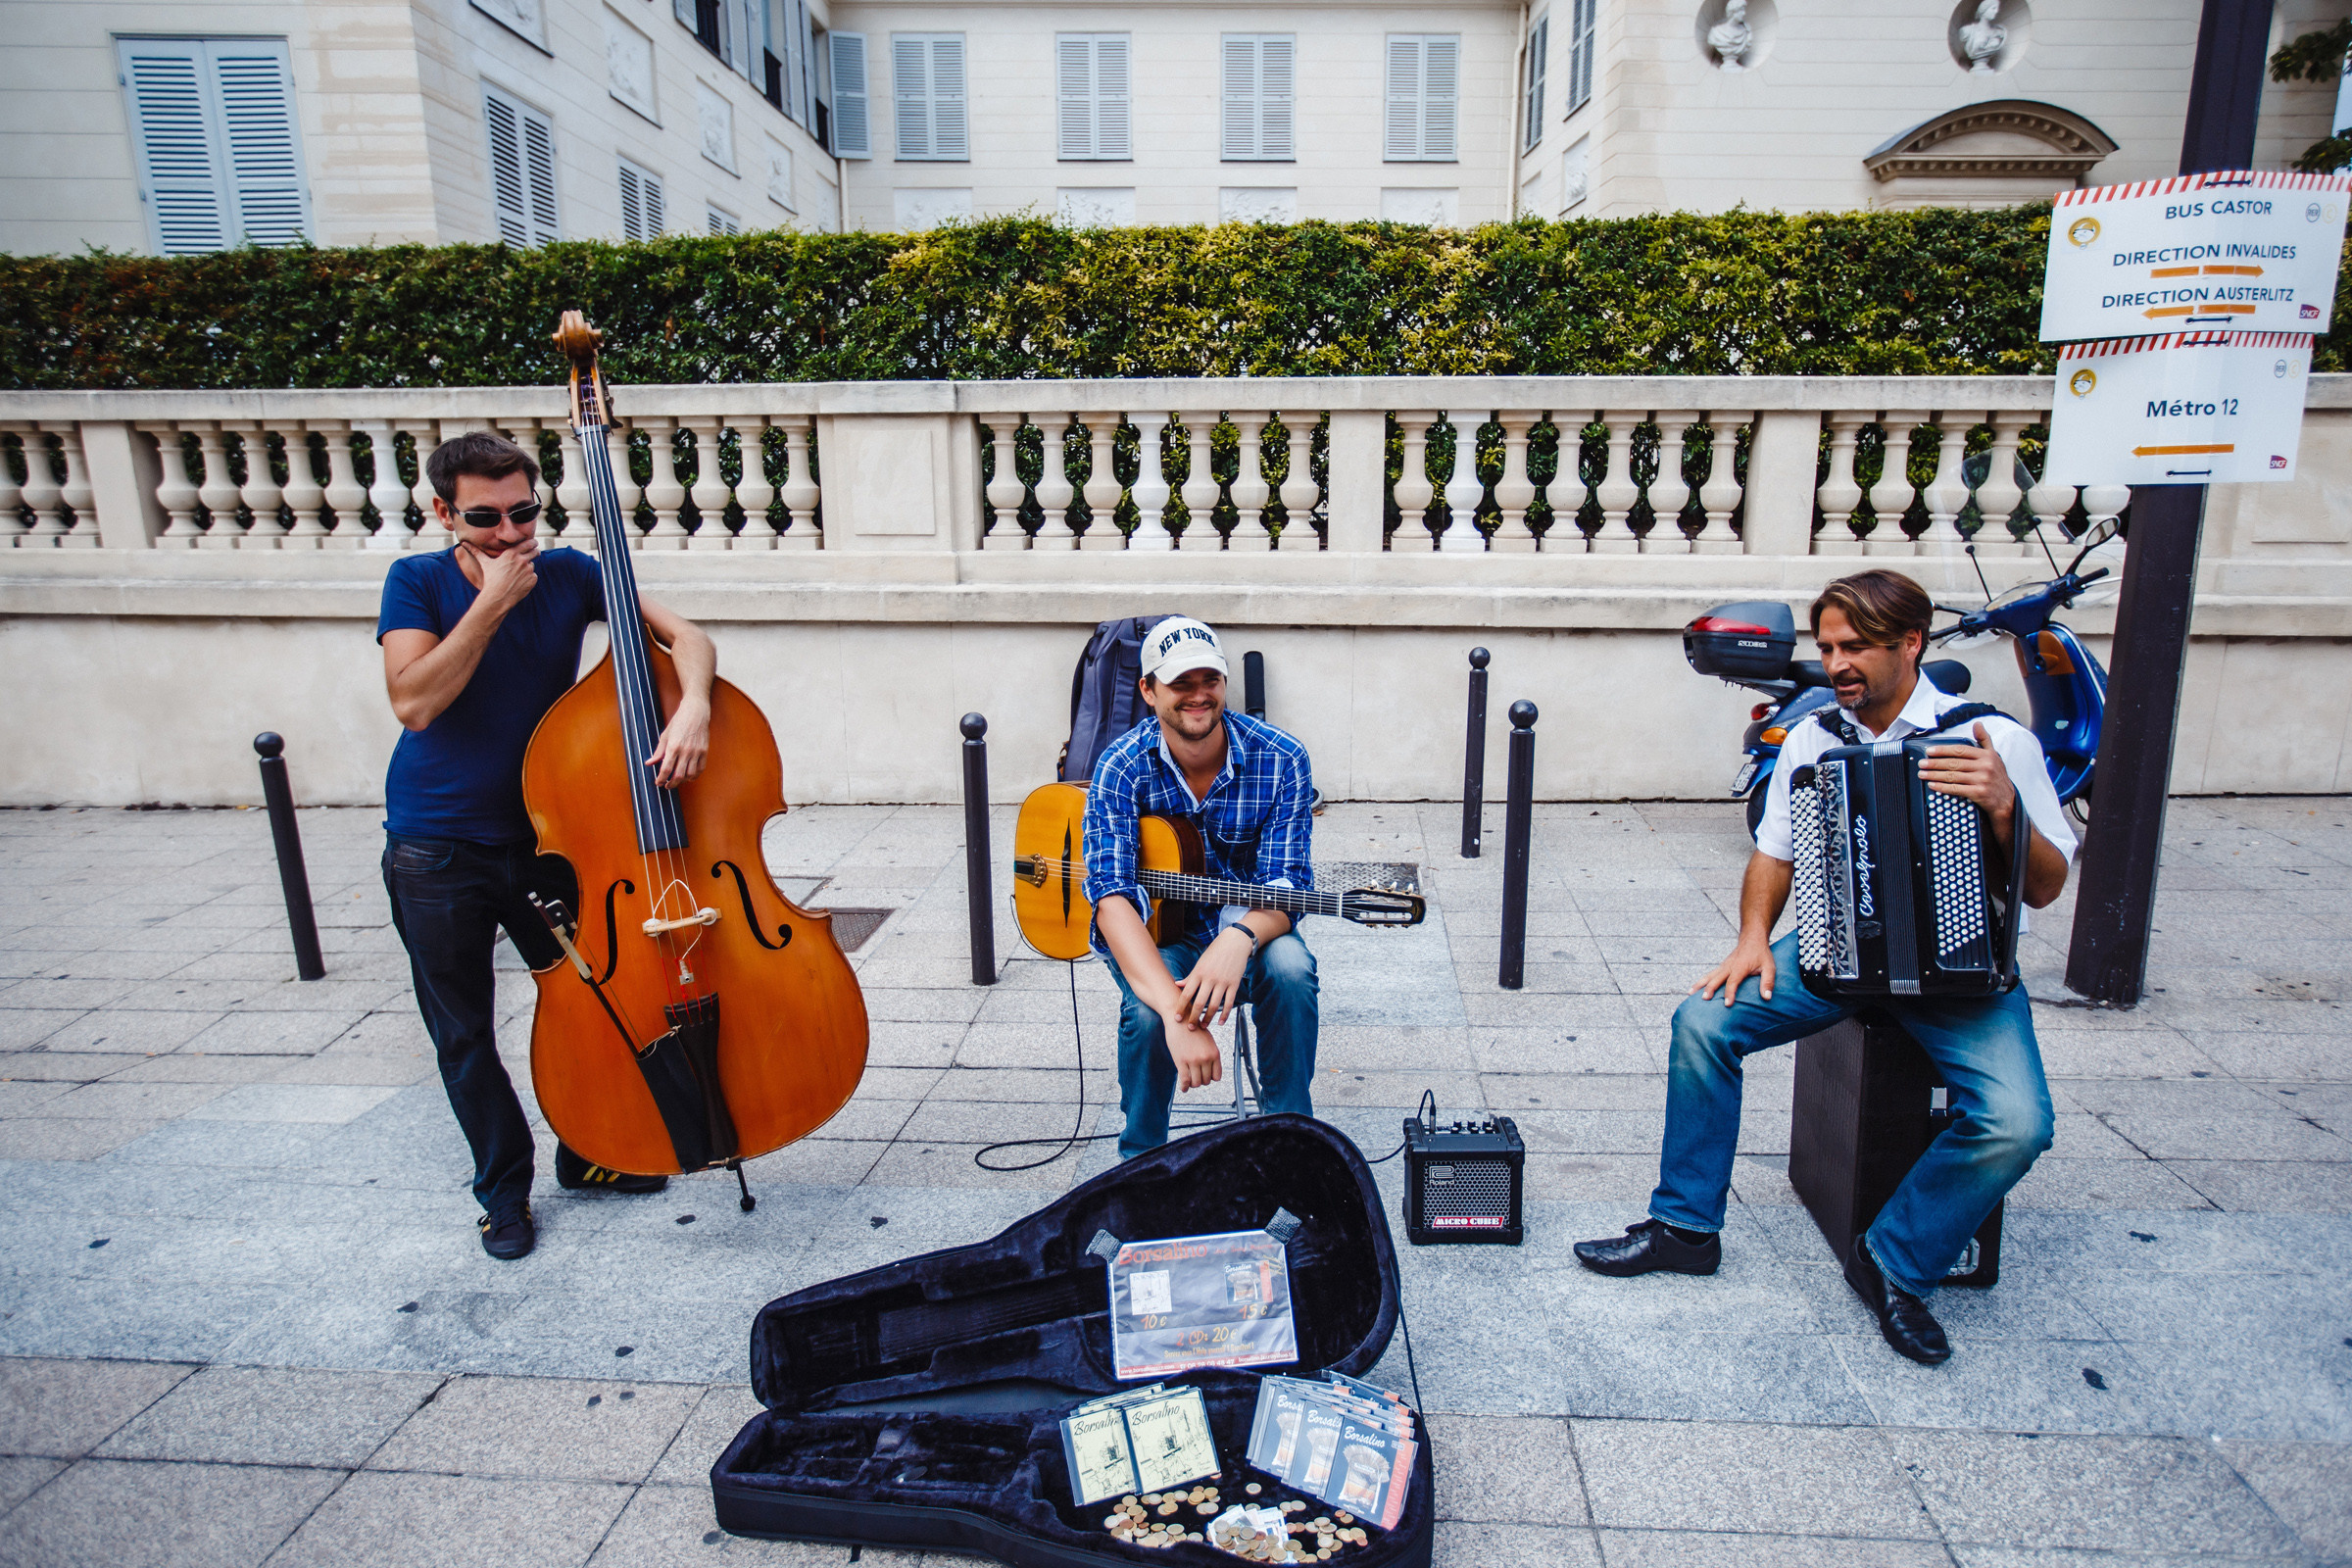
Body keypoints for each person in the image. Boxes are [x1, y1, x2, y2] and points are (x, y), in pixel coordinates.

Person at [1574, 568, 2075, 1364]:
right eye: (1829, 646)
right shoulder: (1816, 735)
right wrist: (1752, 938)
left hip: (1959, 971)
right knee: (1703, 1024)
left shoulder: (1990, 739)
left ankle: (1896, 1261)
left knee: (2019, 1123)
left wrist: (2006, 807)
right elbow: (1774, 854)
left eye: (1856, 648)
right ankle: (1685, 1227)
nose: (1837, 664)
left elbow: (2045, 889)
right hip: (1838, 950)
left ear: (1910, 644)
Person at [377, 430, 717, 1261]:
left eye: (522, 512)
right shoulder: (416, 582)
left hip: (545, 839)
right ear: (445, 514)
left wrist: (694, 706)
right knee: (463, 1034)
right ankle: (503, 1193)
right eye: (485, 518)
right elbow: (414, 702)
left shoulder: (569, 572)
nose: (509, 533)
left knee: (591, 1005)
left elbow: (689, 639)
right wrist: (492, 604)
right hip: (435, 846)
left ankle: (588, 1154)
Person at [1082, 617, 1320, 1158]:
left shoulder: (1283, 757)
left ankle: (1290, 1145)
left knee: (1290, 969)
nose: (1198, 695)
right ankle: (1141, 1163)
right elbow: (1112, 899)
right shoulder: (1121, 766)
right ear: (1148, 691)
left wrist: (1237, 940)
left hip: (1252, 927)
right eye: (1180, 683)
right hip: (1160, 935)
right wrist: (1177, 1015)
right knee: (1148, 1014)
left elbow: (1289, 886)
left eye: (1209, 680)